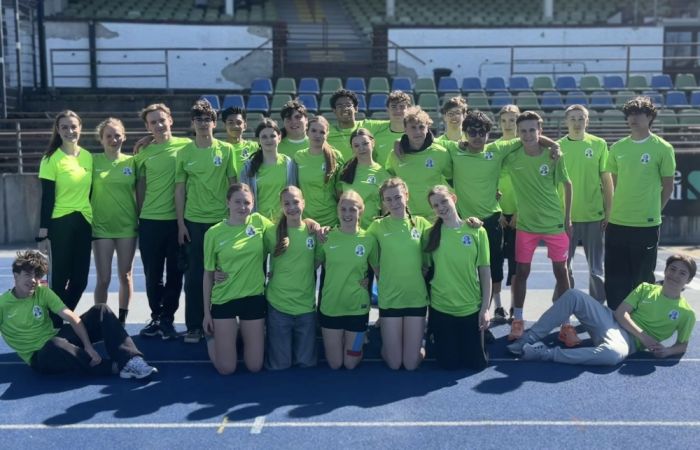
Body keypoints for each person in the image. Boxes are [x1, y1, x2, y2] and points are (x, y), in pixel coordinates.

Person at [507, 255, 696, 365]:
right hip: (610, 321)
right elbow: (621, 313)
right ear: (666, 271)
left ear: (688, 280)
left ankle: (544, 353)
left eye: (682, 273)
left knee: (612, 355)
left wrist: (668, 352)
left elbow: (682, 345)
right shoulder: (646, 288)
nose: (675, 275)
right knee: (573, 295)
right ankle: (526, 340)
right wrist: (644, 336)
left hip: (626, 342)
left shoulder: (686, 313)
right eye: (672, 269)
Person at [0, 250, 157, 379]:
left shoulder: (42, 292)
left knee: (101, 310)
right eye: (28, 275)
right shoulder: (3, 304)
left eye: (37, 275)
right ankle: (113, 367)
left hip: (57, 337)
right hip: (40, 356)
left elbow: (71, 317)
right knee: (55, 345)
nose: (33, 280)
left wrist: (88, 346)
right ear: (16, 275)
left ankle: (131, 359)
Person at [504, 111, 572, 341]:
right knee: (521, 272)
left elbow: (568, 185)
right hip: (526, 226)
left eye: (532, 130)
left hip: (554, 223)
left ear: (540, 131)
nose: (528, 134)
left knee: (561, 272)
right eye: (523, 131)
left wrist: (568, 219)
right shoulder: (512, 157)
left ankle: (566, 323)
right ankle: (518, 320)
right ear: (517, 133)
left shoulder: (553, 155)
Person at [605, 96, 676, 311]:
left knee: (642, 278)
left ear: (650, 117)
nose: (633, 118)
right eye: (630, 114)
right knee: (615, 277)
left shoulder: (663, 148)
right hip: (617, 223)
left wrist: (653, 211)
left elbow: (668, 187)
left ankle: (641, 318)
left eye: (638, 114)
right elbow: (612, 186)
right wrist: (609, 213)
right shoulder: (618, 147)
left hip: (646, 225)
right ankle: (615, 318)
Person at [175, 99, 237, 343]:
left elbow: (233, 185)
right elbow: (180, 190)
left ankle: (223, 322)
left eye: (207, 119)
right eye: (198, 120)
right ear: (193, 123)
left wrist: (234, 218)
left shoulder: (226, 150)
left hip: (221, 221)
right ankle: (194, 325)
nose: (203, 124)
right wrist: (181, 224)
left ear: (214, 123)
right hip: (194, 222)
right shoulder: (184, 152)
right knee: (194, 276)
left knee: (224, 273)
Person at [203, 183, 272, 375]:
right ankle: (212, 339)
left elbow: (286, 229)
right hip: (224, 299)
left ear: (253, 204)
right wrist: (206, 314)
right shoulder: (213, 233)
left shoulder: (259, 222)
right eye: (237, 202)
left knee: (254, 366)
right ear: (228, 203)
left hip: (253, 298)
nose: (242, 207)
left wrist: (311, 224)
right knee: (226, 369)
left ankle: (239, 335)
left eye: (247, 202)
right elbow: (208, 275)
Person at [134, 103, 189, 339]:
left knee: (176, 273)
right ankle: (156, 316)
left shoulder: (187, 146)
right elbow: (140, 187)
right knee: (152, 275)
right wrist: (139, 217)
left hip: (178, 222)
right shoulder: (143, 153)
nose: (158, 125)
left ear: (170, 120)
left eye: (161, 120)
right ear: (147, 126)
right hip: (150, 221)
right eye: (153, 122)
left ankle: (168, 318)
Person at [367, 178, 431, 370]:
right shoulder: (377, 226)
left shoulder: (421, 223)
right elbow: (359, 244)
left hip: (416, 298)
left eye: (397, 197)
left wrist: (470, 223)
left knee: (410, 364)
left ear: (407, 196)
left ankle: (420, 346)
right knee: (394, 364)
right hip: (390, 298)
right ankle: (389, 346)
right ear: (383, 202)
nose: (394, 203)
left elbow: (445, 231)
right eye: (388, 199)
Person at [424, 186, 490, 371]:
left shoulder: (477, 231)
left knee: (476, 365)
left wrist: (485, 309)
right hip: (441, 308)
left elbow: (485, 271)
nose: (441, 207)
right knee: (448, 365)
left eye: (444, 201)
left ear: (453, 198)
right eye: (435, 205)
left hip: (470, 308)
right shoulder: (429, 234)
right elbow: (424, 269)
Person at [37, 110, 93, 328]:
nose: (70, 131)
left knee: (80, 280)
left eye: (73, 126)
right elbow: (47, 197)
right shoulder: (50, 159)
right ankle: (55, 325)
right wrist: (43, 232)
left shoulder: (88, 157)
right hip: (60, 223)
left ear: (81, 128)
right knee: (59, 279)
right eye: (64, 127)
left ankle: (60, 317)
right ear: (58, 131)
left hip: (84, 222)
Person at [318, 191, 378, 370]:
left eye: (352, 209)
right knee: (335, 364)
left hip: (358, 308)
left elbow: (379, 272)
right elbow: (310, 266)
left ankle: (359, 338)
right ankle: (348, 341)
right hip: (331, 307)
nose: (347, 214)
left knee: (350, 363)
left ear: (361, 211)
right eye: (343, 209)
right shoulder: (326, 237)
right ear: (337, 211)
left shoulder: (369, 239)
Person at [558, 104, 612, 304]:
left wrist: (608, 212)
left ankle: (596, 308)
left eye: (581, 118)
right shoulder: (557, 147)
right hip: (566, 218)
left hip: (593, 216)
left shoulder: (599, 144)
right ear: (566, 121)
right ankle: (564, 306)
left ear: (587, 121)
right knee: (564, 268)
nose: (577, 122)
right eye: (572, 118)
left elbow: (607, 181)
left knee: (596, 270)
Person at [264, 187, 320, 370]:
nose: (292, 207)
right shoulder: (271, 232)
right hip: (278, 306)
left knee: (306, 364)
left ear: (303, 203)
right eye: (286, 203)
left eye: (296, 202)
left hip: (305, 307)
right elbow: (250, 256)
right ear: (281, 207)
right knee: (280, 365)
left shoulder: (314, 232)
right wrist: (218, 270)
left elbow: (321, 261)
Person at [91, 118, 137, 326]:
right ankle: (99, 320)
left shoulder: (133, 162)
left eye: (117, 135)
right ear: (101, 139)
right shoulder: (92, 161)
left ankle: (121, 321)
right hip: (101, 228)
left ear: (124, 137)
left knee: (125, 276)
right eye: (108, 136)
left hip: (127, 227)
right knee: (103, 279)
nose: (113, 139)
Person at [386, 106, 452, 220]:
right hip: (407, 217)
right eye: (413, 127)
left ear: (427, 128)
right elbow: (389, 182)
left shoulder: (441, 153)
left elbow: (451, 181)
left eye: (421, 127)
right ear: (405, 129)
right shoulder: (395, 154)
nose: (417, 132)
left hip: (435, 216)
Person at [240, 119, 298, 220]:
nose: (269, 140)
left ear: (279, 138)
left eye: (272, 136)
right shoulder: (248, 167)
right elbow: (243, 198)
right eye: (264, 137)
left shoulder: (289, 164)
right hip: (258, 222)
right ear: (258, 140)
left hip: (284, 222)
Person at [494, 105, 520, 322]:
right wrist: (498, 212)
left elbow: (531, 183)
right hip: (498, 216)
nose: (508, 124)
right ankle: (497, 307)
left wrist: (520, 212)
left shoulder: (525, 146)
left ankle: (514, 307)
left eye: (513, 120)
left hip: (521, 217)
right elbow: (487, 181)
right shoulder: (493, 148)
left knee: (516, 266)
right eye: (504, 120)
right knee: (494, 264)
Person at [293, 115, 343, 227]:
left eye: (322, 132)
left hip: (331, 218)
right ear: (307, 132)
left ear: (327, 134)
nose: (317, 135)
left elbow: (341, 190)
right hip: (306, 219)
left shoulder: (336, 156)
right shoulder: (299, 156)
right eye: (314, 131)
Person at [337, 128, 391, 229]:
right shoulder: (344, 171)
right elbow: (339, 198)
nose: (361, 148)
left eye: (365, 143)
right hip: (348, 230)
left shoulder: (383, 174)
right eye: (356, 146)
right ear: (352, 148)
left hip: (371, 230)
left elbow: (386, 211)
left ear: (373, 143)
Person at [326, 88, 391, 160]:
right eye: (340, 106)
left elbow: (395, 123)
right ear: (334, 110)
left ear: (356, 108)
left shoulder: (368, 125)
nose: (345, 109)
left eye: (348, 105)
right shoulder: (325, 132)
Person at [371, 90, 412, 166]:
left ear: (408, 109)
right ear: (387, 109)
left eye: (402, 107)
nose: (398, 110)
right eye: (393, 107)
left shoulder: (416, 135)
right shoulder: (377, 136)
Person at [221, 106, 256, 175]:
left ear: (245, 126)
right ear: (224, 126)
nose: (235, 126)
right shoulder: (218, 149)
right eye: (231, 123)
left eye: (239, 122)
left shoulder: (254, 147)